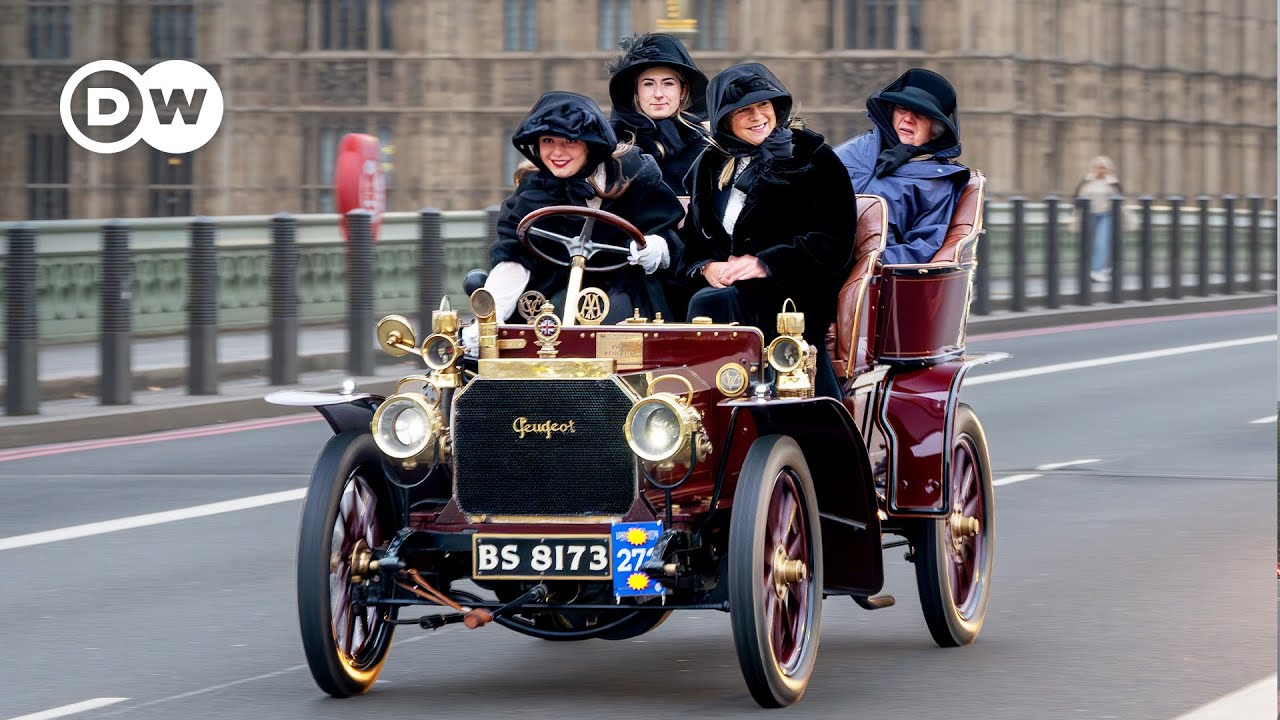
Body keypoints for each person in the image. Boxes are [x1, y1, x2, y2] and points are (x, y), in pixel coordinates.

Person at [679, 63, 856, 399]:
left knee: (711, 303)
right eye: (743, 110)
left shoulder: (813, 156)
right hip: (726, 288)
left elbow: (835, 239)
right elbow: (692, 240)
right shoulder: (709, 163)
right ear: (725, 119)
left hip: (792, 289)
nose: (758, 116)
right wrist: (705, 266)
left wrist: (765, 263)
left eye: (763, 104)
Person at [463, 92, 685, 353]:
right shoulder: (532, 192)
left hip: (624, 286)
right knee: (528, 329)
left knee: (617, 315)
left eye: (569, 141)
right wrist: (491, 319)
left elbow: (670, 235)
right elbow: (514, 257)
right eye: (548, 141)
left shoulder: (633, 175)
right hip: (553, 289)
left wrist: (655, 247)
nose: (557, 152)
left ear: (590, 144)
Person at [833, 68, 970, 265]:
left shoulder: (938, 182)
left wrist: (865, 262)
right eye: (902, 109)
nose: (907, 119)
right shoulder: (852, 151)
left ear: (936, 129)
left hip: (872, 273)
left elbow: (921, 249)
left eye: (920, 114)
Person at [605, 33, 711, 198]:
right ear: (636, 92)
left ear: (682, 91)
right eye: (648, 84)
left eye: (668, 83)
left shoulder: (707, 147)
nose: (658, 94)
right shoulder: (610, 143)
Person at [1073, 155, 1124, 283]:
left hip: (1106, 215)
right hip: (1090, 215)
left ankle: (1096, 270)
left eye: (1102, 167)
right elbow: (1077, 197)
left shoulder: (1112, 182)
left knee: (1102, 242)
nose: (1100, 170)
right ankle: (1100, 268)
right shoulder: (1086, 180)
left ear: (1108, 169)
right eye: (1097, 167)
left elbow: (1120, 198)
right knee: (1090, 243)